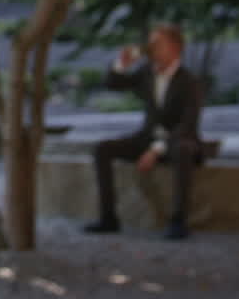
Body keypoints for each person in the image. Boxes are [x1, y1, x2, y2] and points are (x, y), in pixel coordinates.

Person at [83, 23, 203, 240]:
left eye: (158, 43)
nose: (152, 47)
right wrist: (122, 64)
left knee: (184, 150)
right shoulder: (147, 73)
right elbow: (112, 83)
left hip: (177, 140)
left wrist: (156, 151)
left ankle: (178, 221)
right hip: (146, 138)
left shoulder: (189, 81)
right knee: (103, 149)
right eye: (151, 43)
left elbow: (187, 125)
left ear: (175, 48)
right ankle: (108, 218)